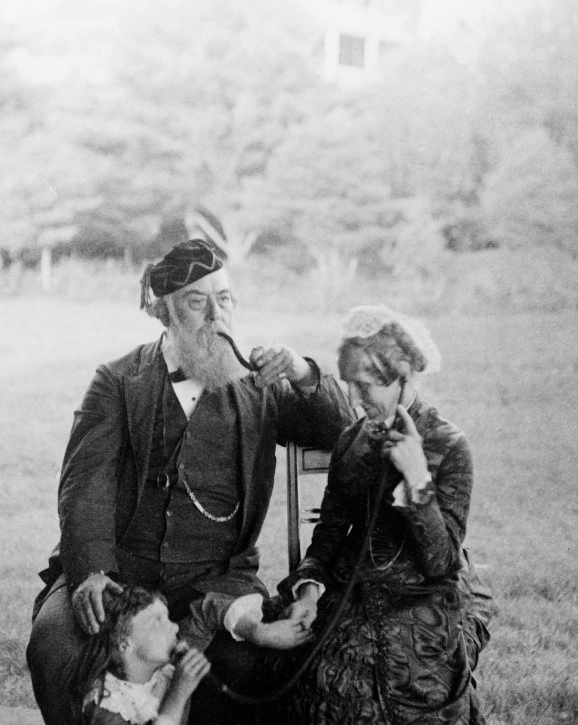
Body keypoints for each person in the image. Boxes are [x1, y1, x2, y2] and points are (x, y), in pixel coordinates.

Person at [26, 238, 354, 725]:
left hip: (217, 580)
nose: (216, 316)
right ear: (165, 313)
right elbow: (84, 485)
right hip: (121, 575)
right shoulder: (118, 381)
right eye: (197, 302)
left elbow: (346, 434)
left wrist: (305, 374)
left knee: (249, 664)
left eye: (224, 300)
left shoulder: (259, 387)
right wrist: (94, 569)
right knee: (58, 645)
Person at [271, 304, 493, 724]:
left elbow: (440, 561)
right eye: (349, 385)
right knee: (295, 671)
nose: (353, 401)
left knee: (368, 693)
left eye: (365, 386)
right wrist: (309, 590)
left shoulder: (449, 444)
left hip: (419, 601)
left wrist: (416, 479)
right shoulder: (351, 439)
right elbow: (331, 532)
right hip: (349, 590)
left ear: (404, 375)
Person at [72, 586, 211, 725]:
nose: (175, 627)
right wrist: (177, 696)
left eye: (167, 618)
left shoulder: (164, 669)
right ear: (124, 643)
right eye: (157, 622)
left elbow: (203, 620)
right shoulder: (108, 707)